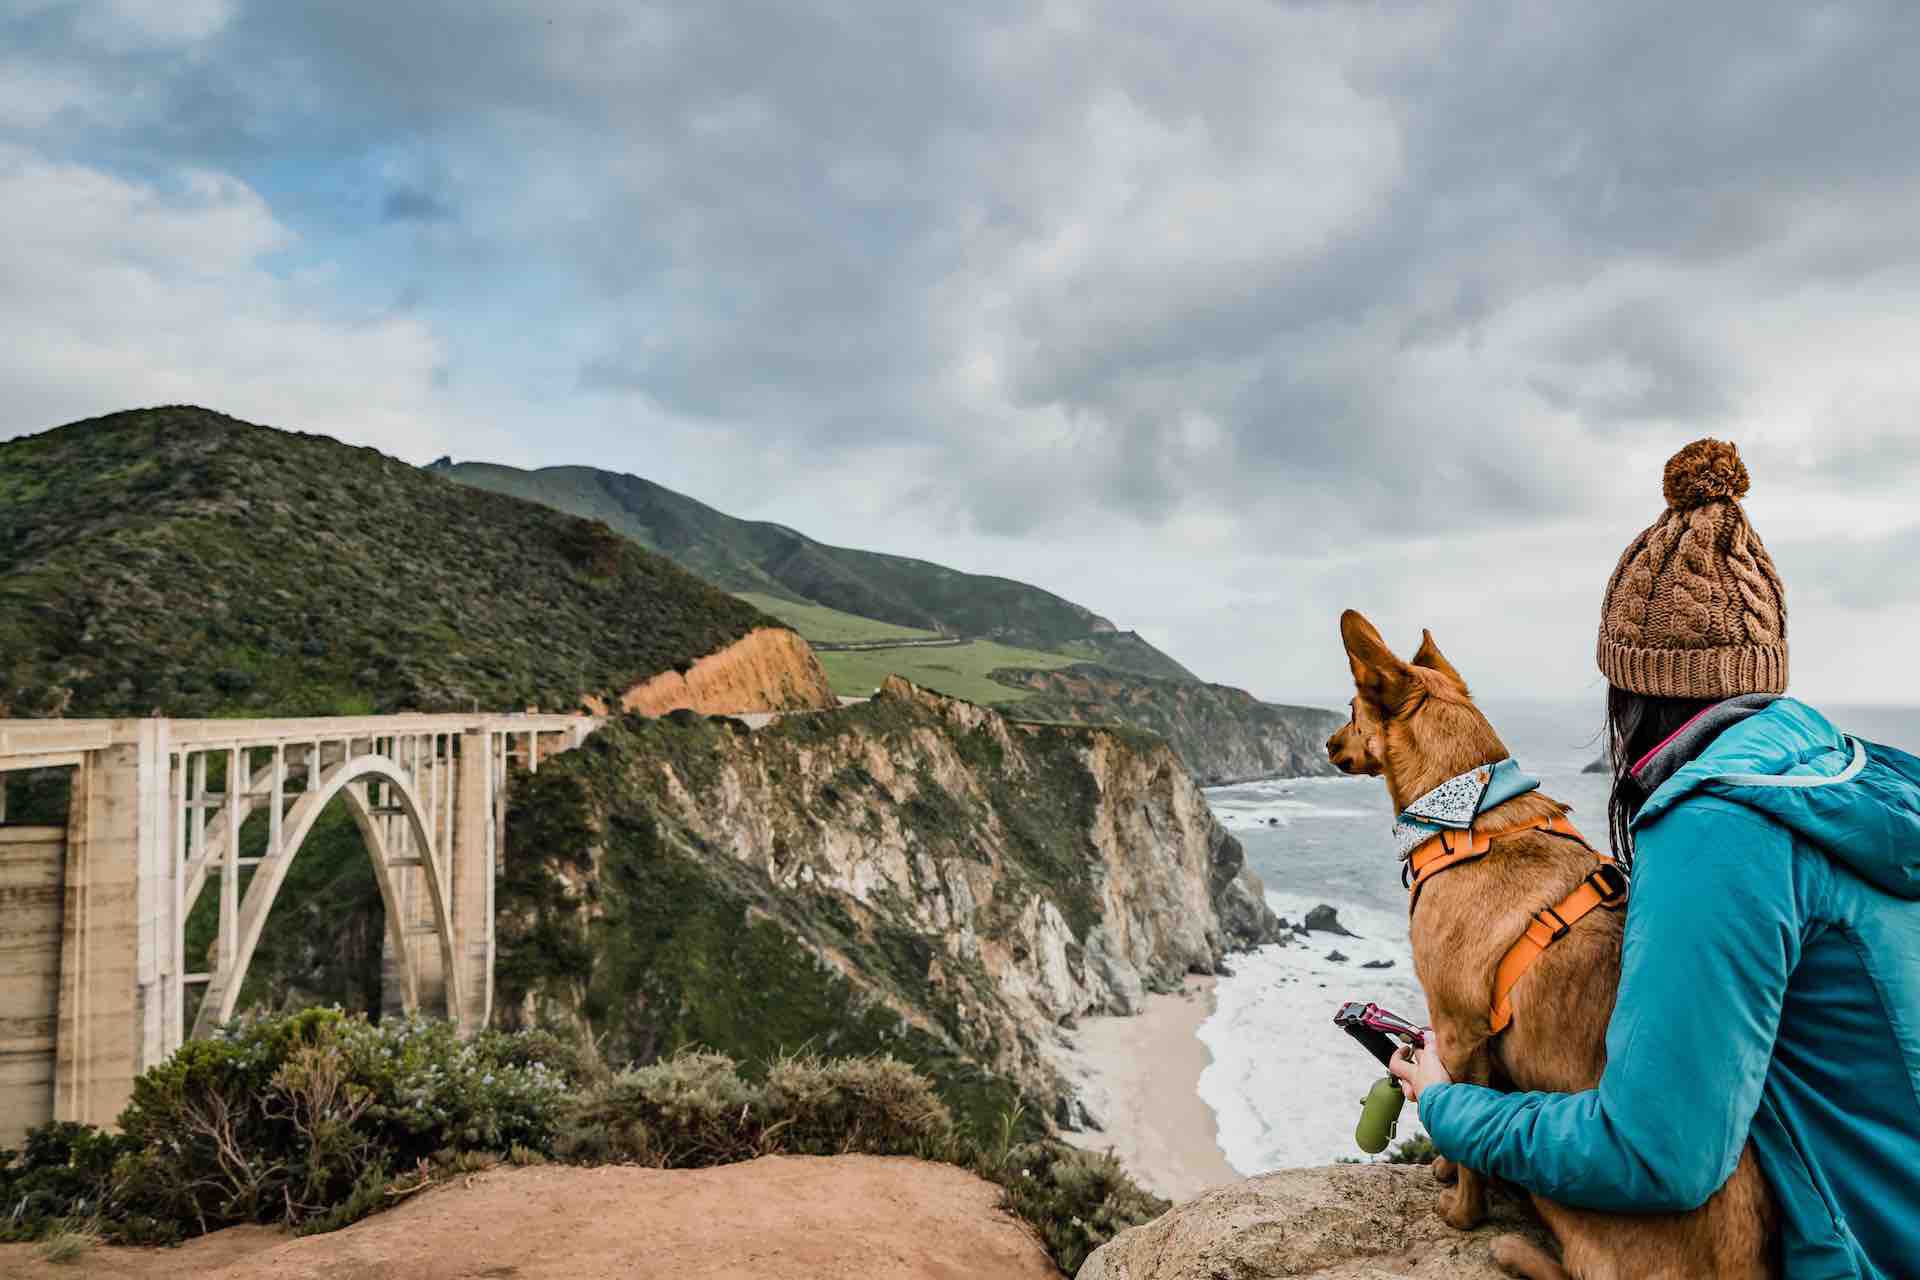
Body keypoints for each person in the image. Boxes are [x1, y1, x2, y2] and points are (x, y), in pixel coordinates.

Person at [1388, 439, 1920, 1279]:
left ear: (1627, 693)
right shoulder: (1847, 779)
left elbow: (1656, 1155)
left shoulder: (1719, 830)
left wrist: (1450, 1108)